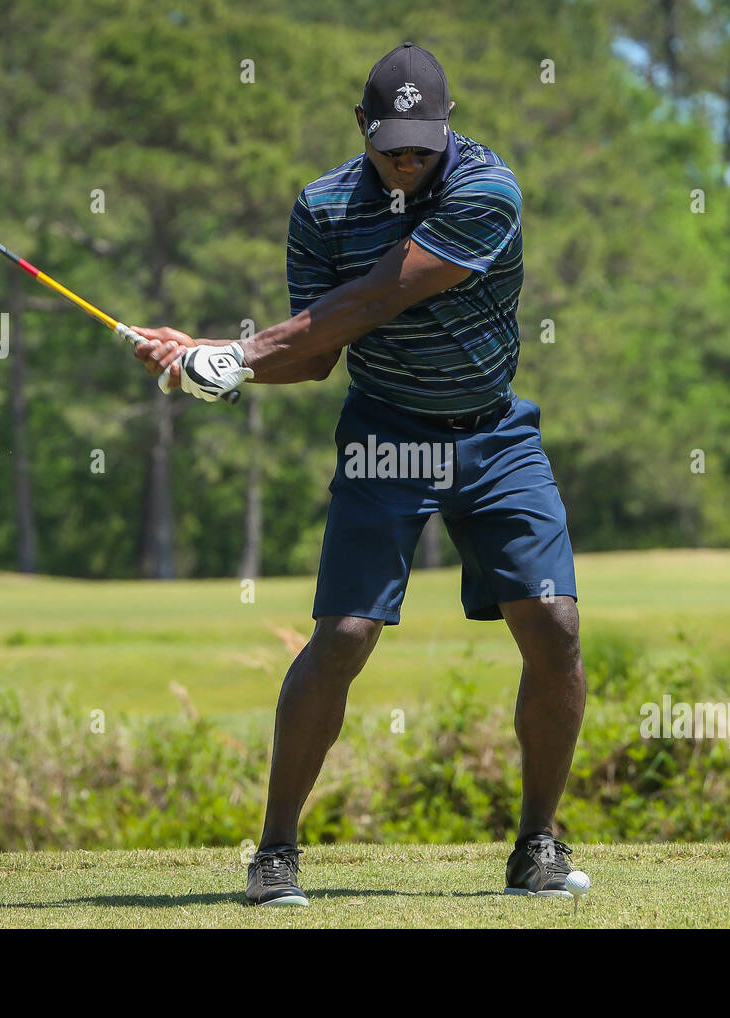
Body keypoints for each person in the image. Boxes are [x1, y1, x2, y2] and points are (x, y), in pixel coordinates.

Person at [132, 41, 585, 907]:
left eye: (423, 144)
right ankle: (275, 852)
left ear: (448, 129)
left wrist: (237, 350)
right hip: (386, 431)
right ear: (361, 130)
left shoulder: (489, 189)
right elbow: (314, 356)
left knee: (555, 624)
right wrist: (205, 361)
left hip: (493, 434)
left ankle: (538, 846)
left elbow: (381, 296)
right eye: (391, 146)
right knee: (342, 638)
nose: (408, 160)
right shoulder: (323, 207)